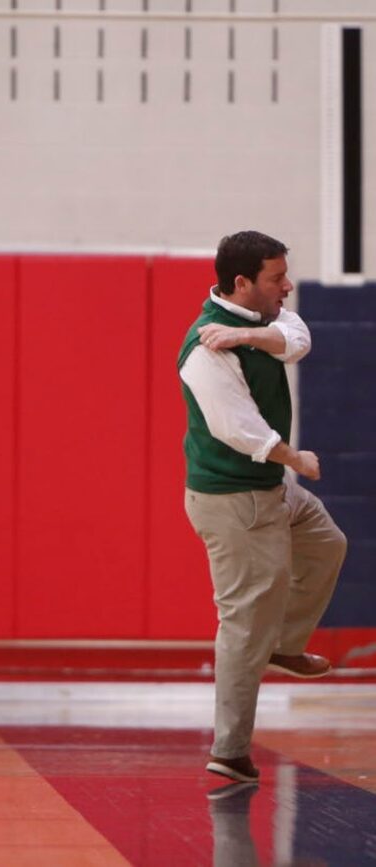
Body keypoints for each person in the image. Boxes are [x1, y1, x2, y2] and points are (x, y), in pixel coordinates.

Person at [178, 230, 347, 784]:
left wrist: (248, 339)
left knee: (327, 544)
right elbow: (237, 429)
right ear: (242, 282)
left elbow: (296, 339)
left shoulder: (257, 324)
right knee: (244, 622)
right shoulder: (204, 349)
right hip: (236, 496)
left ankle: (285, 644)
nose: (288, 286)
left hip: (270, 486)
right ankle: (229, 751)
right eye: (276, 279)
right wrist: (297, 460)